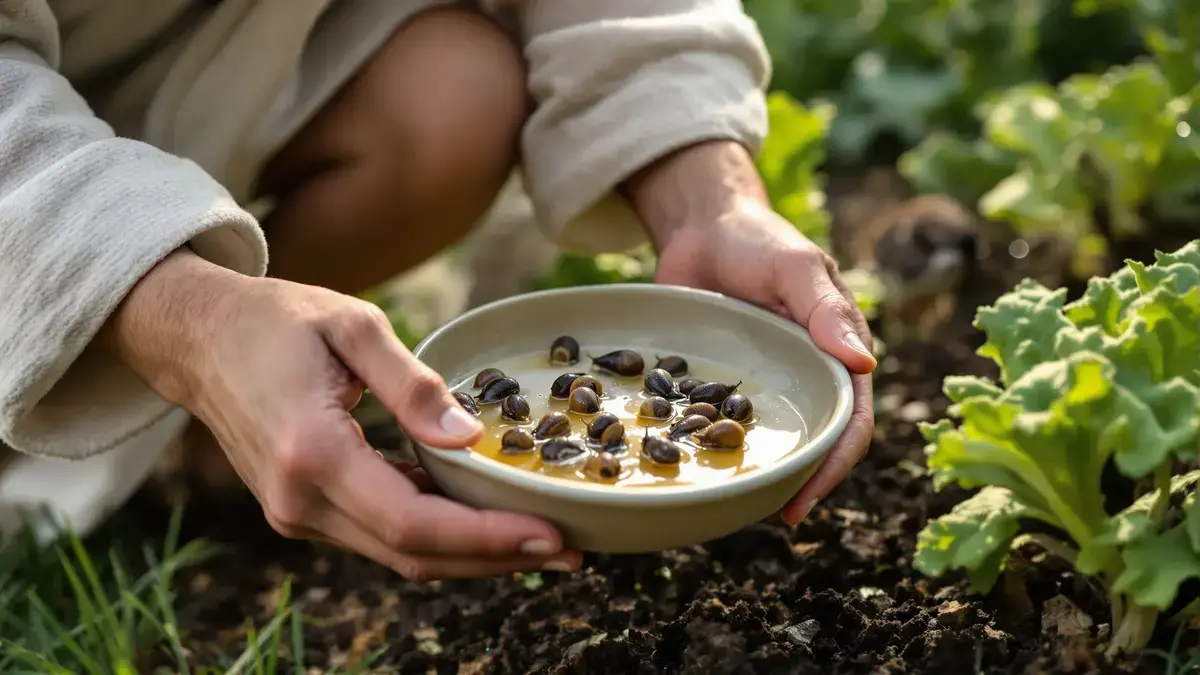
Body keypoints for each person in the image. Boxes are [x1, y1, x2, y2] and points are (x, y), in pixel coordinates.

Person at [0, 0, 875, 580]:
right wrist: (187, 320)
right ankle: (187, 393)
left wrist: (706, 195)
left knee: (449, 93)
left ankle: (207, 442)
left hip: (207, 57)